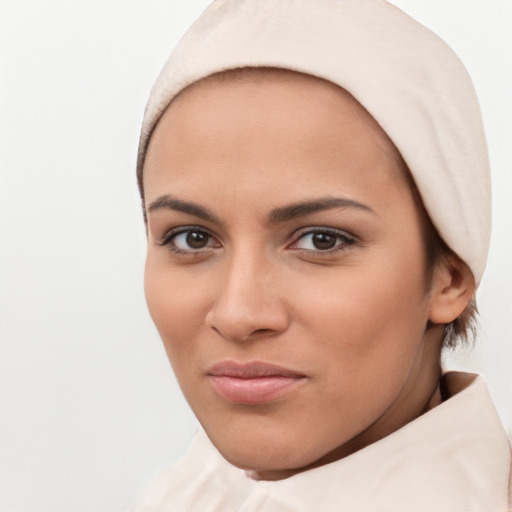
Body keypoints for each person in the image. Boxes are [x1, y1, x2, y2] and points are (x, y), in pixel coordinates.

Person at [129, 0, 512, 510]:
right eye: (192, 239)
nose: (239, 314)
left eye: (321, 240)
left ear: (449, 276)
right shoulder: (175, 495)